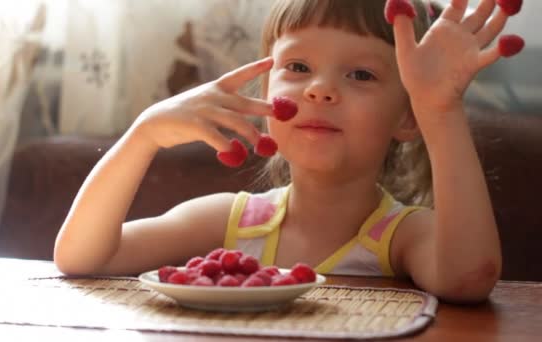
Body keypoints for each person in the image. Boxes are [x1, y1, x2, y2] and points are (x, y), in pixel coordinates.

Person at [54, 0, 524, 303]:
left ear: (406, 117)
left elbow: (468, 278)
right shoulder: (228, 222)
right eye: (298, 67)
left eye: (361, 75)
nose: (320, 90)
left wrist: (439, 110)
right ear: (264, 97)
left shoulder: (401, 237)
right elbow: (82, 257)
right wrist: (143, 135)